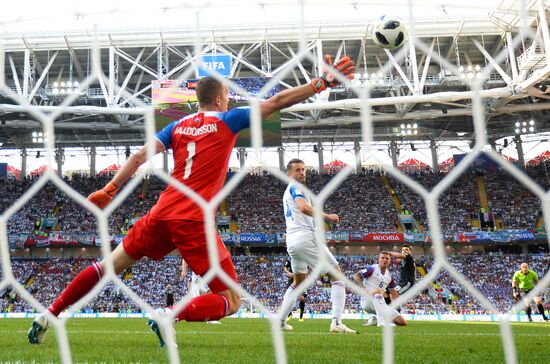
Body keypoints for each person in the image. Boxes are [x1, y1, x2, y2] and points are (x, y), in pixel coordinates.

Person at [27, 55, 355, 347]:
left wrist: (111, 188)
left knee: (108, 266)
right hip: (193, 218)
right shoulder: (227, 120)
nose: (229, 101)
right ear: (218, 98)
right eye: (227, 96)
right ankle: (169, 315)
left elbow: (141, 156)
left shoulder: (176, 125)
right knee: (232, 299)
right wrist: (321, 83)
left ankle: (49, 313)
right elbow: (277, 101)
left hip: (160, 212)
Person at [280, 158, 357, 333]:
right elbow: (303, 208)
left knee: (298, 282)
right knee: (338, 276)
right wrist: (328, 216)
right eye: (298, 170)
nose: (302, 173)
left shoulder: (288, 191)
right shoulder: (295, 187)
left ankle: (281, 321)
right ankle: (337, 323)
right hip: (305, 238)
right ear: (289, 173)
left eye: (303, 169)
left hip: (292, 241)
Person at [352, 252, 407, 327]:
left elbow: (394, 294)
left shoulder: (389, 277)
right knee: (378, 291)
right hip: (367, 301)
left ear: (389, 261)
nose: (385, 260)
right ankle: (381, 322)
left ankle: (375, 319)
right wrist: (363, 288)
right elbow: (356, 276)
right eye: (382, 258)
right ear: (379, 259)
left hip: (380, 303)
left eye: (387, 258)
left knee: (402, 322)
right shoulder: (372, 269)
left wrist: (405, 304)